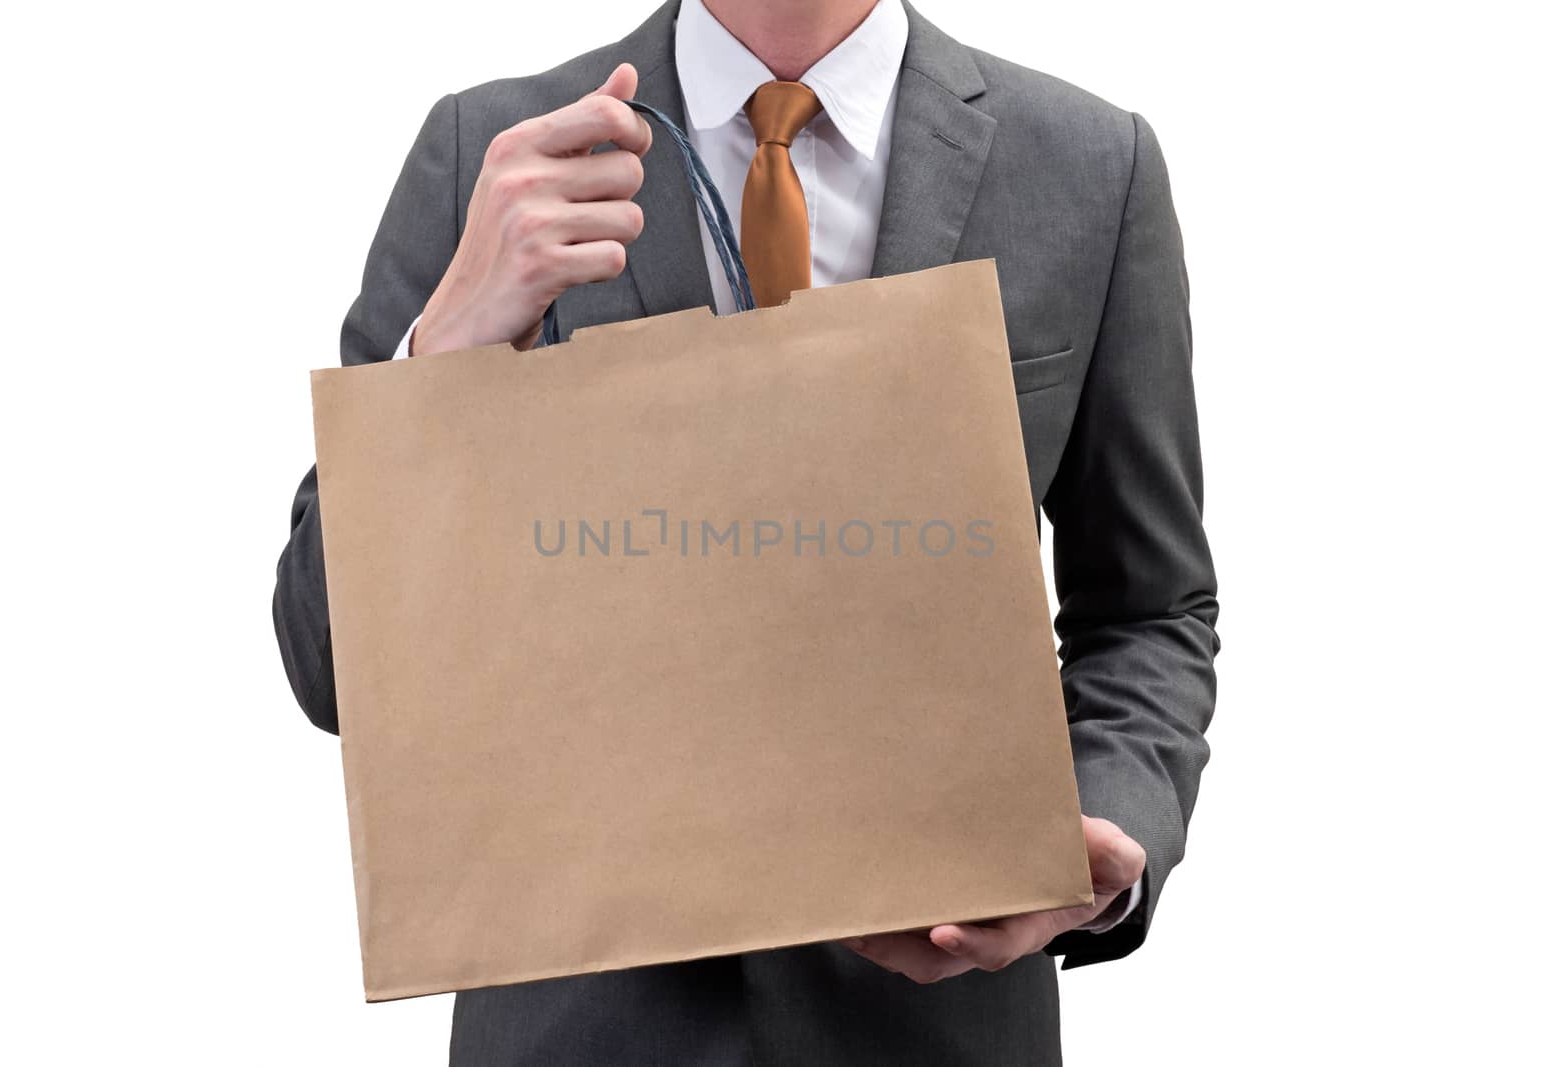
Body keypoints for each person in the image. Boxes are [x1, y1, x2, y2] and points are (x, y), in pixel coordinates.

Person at [273, 1, 1219, 1062]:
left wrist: (1098, 834)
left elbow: (1148, 607)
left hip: (937, 1026)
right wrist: (440, 358)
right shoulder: (491, 156)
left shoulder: (1092, 165)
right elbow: (330, 672)